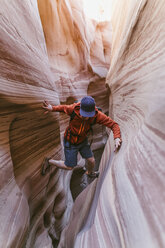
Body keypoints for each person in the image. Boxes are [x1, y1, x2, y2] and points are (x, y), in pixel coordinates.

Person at [41, 96, 122, 178]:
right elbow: (63, 108)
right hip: (70, 140)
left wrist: (117, 137)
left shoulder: (97, 115)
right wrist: (52, 108)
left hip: (82, 140)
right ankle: (49, 161)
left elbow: (113, 125)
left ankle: (89, 173)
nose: (86, 117)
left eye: (88, 115)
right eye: (84, 114)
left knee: (92, 161)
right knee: (69, 166)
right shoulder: (73, 109)